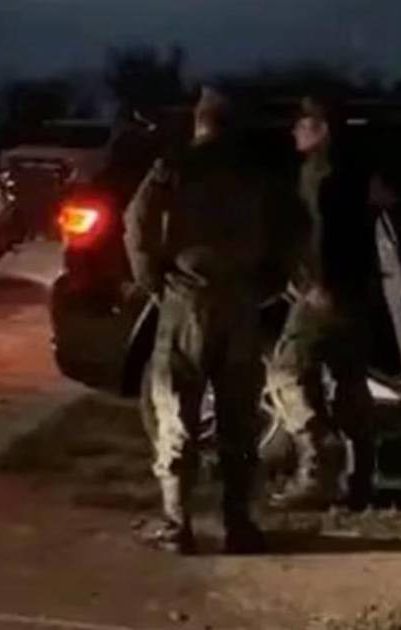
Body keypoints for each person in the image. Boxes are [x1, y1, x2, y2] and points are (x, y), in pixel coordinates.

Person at [123, 87, 267, 555]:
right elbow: (291, 230)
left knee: (176, 410)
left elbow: (138, 221)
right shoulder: (256, 171)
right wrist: (266, 284)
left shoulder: (176, 165)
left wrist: (152, 280)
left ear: (199, 122)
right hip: (241, 302)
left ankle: (177, 523)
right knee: (239, 418)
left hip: (188, 299)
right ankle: (239, 524)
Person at [266, 94, 379, 511]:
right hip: (357, 292)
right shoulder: (358, 170)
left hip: (325, 291)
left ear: (323, 128)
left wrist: (313, 282)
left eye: (304, 123)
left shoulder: (320, 174)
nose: (295, 131)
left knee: (287, 372)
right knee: (350, 381)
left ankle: (317, 461)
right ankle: (359, 478)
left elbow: (320, 233)